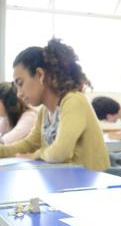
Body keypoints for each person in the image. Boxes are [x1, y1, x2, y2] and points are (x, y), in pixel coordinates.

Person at [0, 38, 110, 171]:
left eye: (20, 83)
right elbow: (29, 144)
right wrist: (3, 151)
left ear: (40, 74)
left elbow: (60, 152)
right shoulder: (44, 111)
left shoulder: (73, 100)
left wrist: (37, 154)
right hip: (68, 181)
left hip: (92, 185)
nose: (19, 94)